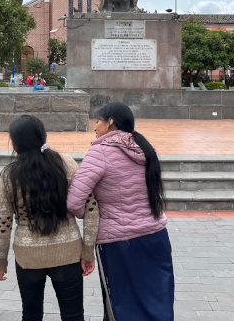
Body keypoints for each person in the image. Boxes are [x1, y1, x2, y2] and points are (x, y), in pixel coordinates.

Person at [68, 102, 175, 320]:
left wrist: (92, 213)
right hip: (156, 237)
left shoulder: (100, 152)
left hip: (118, 244)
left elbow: (73, 202)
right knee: (157, 302)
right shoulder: (146, 147)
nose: (95, 126)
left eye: (97, 121)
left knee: (121, 305)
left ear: (110, 122)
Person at [0, 115, 99, 321]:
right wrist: (88, 251)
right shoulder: (65, 163)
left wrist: (0, 261)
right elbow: (92, 208)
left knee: (31, 315)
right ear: (43, 136)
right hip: (68, 254)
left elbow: (3, 224)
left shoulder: (9, 175)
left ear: (15, 144)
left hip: (27, 257)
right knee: (74, 316)